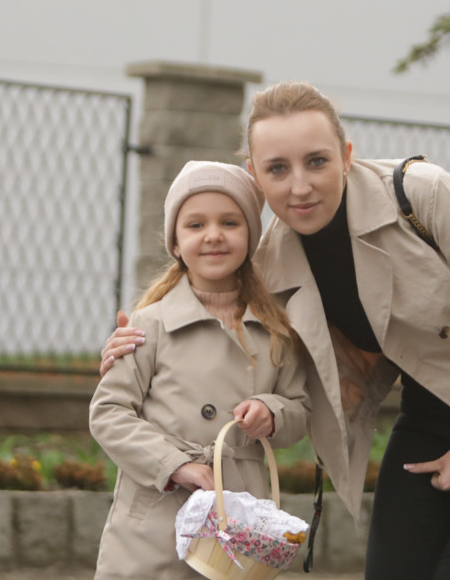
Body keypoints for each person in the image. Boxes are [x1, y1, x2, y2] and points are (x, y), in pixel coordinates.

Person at [100, 82, 450, 580]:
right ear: (255, 176)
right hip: (434, 405)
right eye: (277, 169)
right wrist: (134, 340)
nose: (300, 186)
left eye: (317, 161)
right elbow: (219, 328)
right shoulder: (270, 262)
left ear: (347, 155)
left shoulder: (421, 192)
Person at [89, 161, 309, 580]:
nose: (213, 236)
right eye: (195, 225)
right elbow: (109, 413)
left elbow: (300, 410)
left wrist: (271, 410)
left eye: (230, 222)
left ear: (251, 236)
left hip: (235, 521)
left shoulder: (275, 329)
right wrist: (174, 465)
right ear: (175, 240)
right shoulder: (149, 323)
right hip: (155, 518)